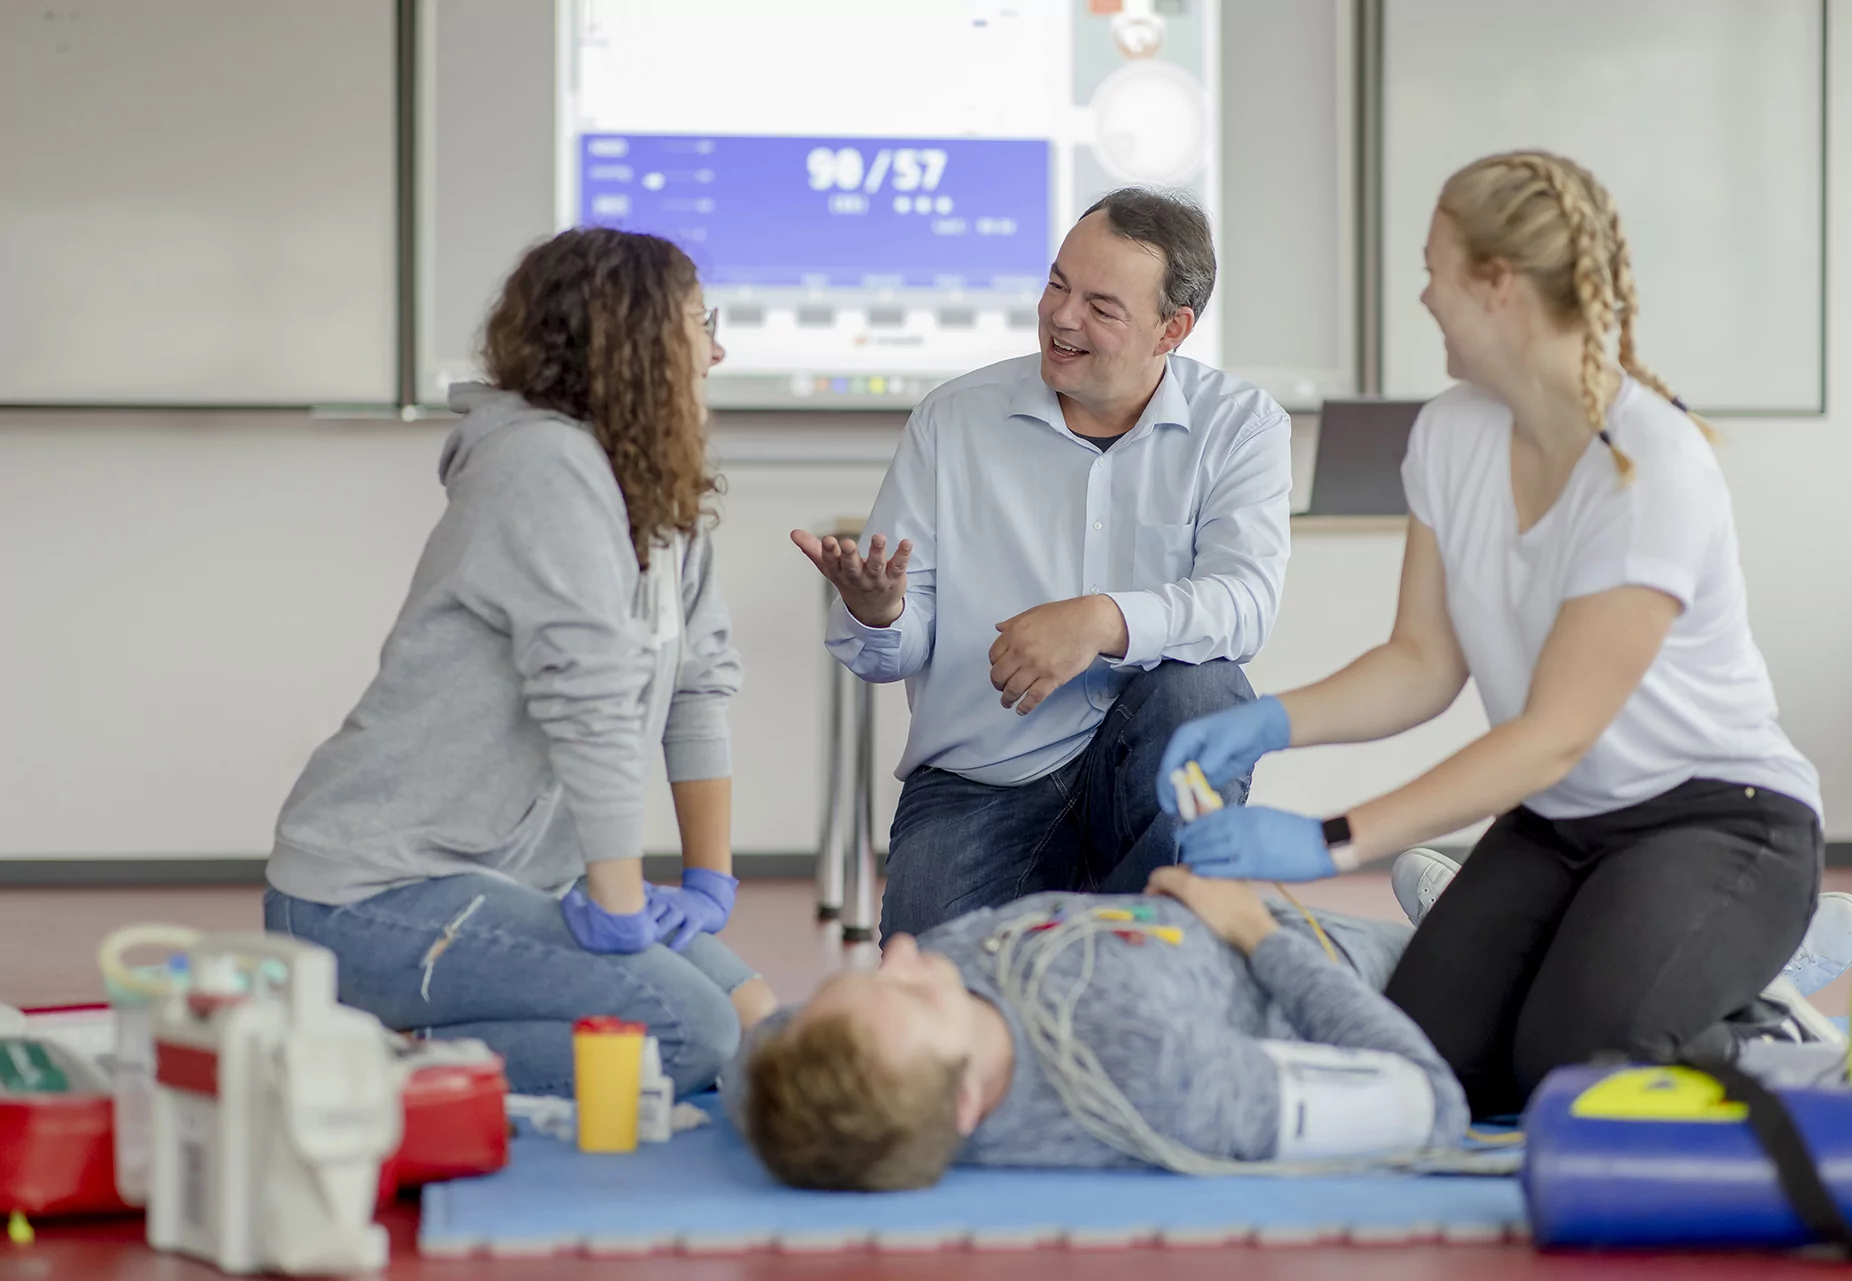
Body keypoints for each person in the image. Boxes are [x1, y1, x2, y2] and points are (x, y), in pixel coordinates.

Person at [1155, 150, 1843, 1118]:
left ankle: (1756, 1014)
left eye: (1436, 267)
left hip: (1718, 820)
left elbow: (1551, 732)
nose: (1425, 295)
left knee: (1576, 1077)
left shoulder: (1651, 467)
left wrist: (1331, 838)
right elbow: (1422, 662)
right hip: (1561, 821)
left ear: (1498, 284)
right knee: (1428, 1071)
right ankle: (1606, 956)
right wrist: (1272, 720)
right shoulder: (1448, 435)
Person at [265, 228, 776, 1098]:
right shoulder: (543, 467)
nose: (718, 348)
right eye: (699, 323)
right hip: (370, 893)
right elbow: (592, 705)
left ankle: (414, 1037)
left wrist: (708, 882)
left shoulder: (656, 492)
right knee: (691, 1035)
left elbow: (699, 685)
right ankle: (339, 1068)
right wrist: (619, 907)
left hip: (511, 881)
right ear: (635, 340)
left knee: (759, 1016)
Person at [792, 187, 1292, 939]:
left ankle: (1132, 947)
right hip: (982, 773)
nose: (1061, 316)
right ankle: (1113, 941)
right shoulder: (953, 419)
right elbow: (895, 645)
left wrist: (1101, 619)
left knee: (1206, 692)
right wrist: (879, 609)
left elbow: (1247, 600)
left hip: (1141, 766)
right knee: (932, 998)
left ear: (1173, 329)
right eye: (1058, 283)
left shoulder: (1240, 425)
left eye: (1101, 305)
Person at [728, 868, 1467, 1191]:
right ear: (965, 1109)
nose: (902, 952)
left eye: (865, 977)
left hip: (1181, 921)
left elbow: (768, 1046)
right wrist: (1252, 932)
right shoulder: (1153, 1076)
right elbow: (1431, 1102)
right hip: (1344, 968)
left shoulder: (845, 1084)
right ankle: (1453, 917)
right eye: (914, 996)